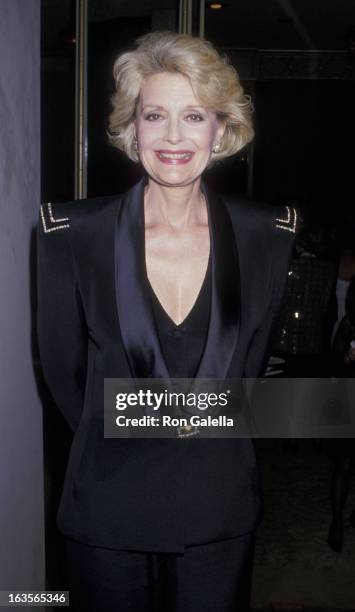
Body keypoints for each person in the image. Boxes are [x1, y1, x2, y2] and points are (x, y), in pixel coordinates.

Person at [37, 31, 296, 611]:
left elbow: (247, 370)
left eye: (194, 115)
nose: (174, 137)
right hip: (108, 504)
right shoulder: (71, 233)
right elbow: (65, 376)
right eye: (155, 115)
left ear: (221, 131)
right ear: (132, 130)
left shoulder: (268, 235)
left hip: (218, 502)